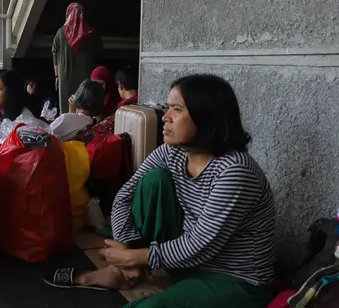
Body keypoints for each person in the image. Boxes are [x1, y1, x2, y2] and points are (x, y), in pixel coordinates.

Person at [45, 74, 276, 308]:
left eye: (177, 109)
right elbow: (125, 197)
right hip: (185, 263)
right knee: (154, 181)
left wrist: (133, 256)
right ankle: (127, 273)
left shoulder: (234, 171)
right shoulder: (171, 152)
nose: (165, 117)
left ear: (207, 118)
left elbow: (202, 245)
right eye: (167, 108)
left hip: (234, 279)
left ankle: (129, 271)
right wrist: (131, 252)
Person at [52, 2, 102, 115]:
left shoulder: (61, 33)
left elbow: (54, 53)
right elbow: (99, 54)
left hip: (65, 76)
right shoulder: (92, 33)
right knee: (85, 104)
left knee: (66, 107)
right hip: (87, 77)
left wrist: (56, 76)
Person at [89, 68, 139, 138]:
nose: (97, 88)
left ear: (120, 86)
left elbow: (95, 133)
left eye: (101, 84)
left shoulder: (121, 111)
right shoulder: (143, 103)